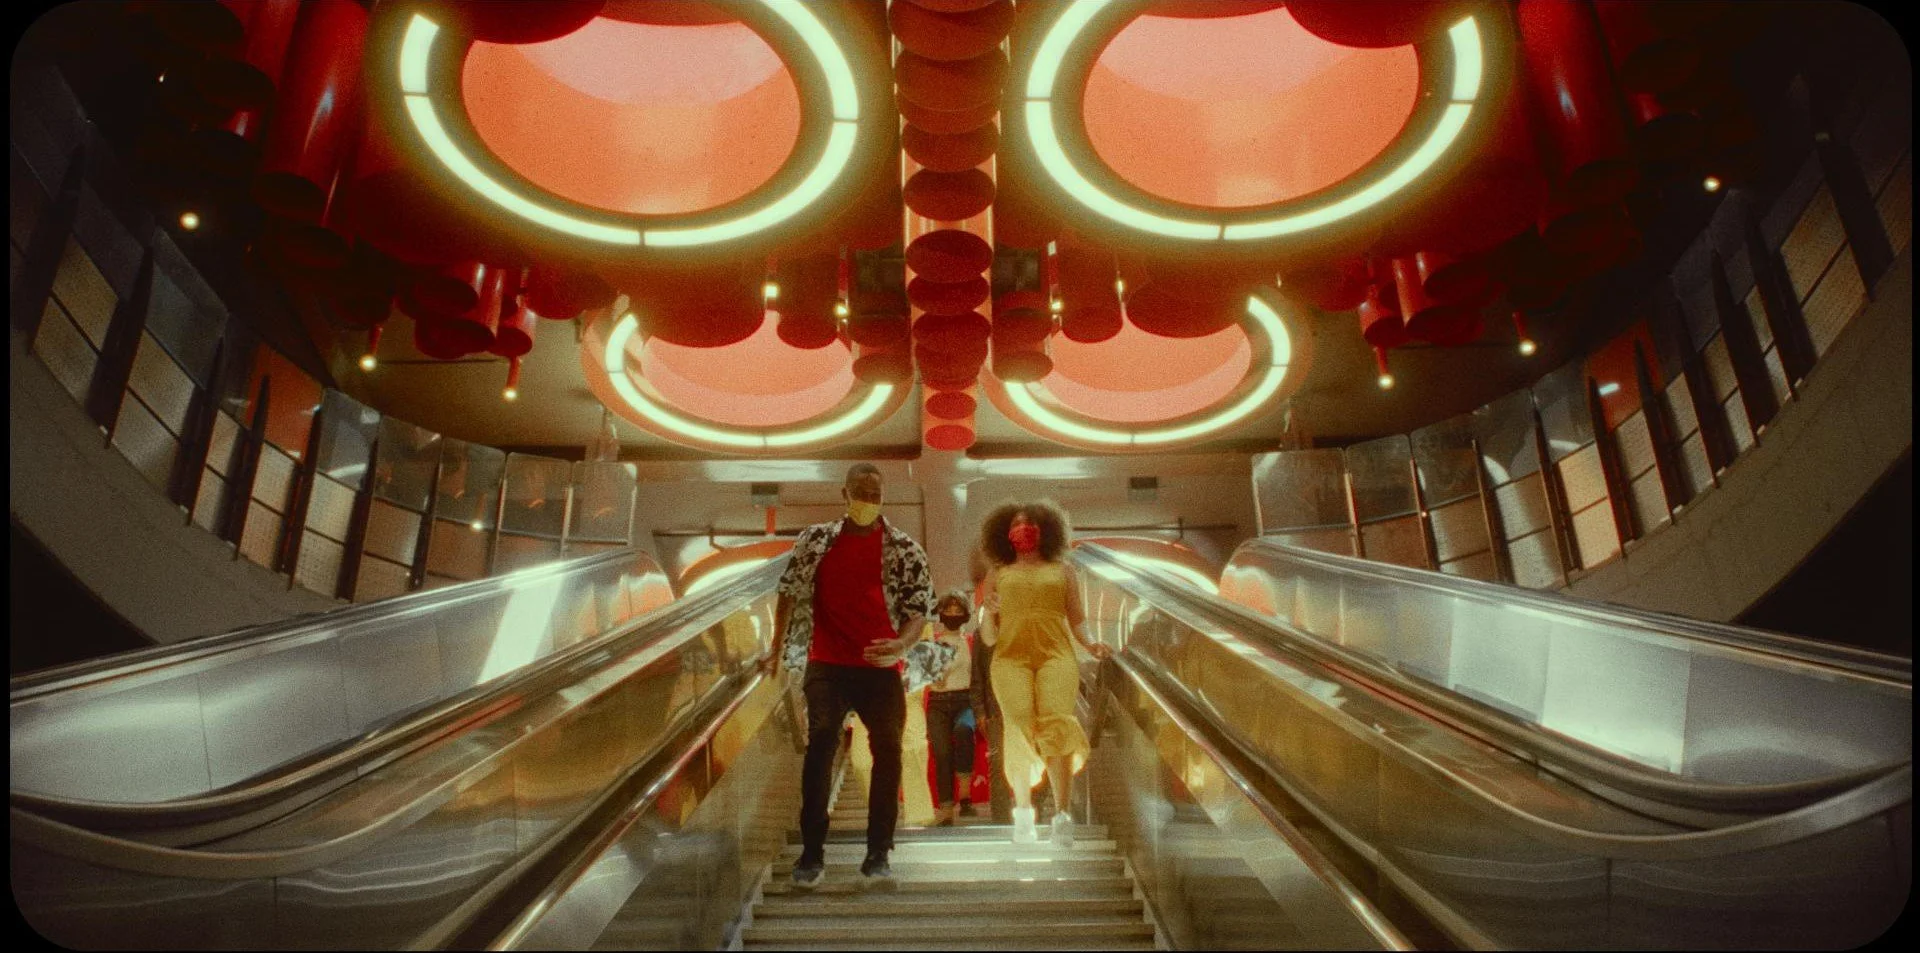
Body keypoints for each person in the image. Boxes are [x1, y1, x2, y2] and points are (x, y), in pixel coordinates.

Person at [766, 463, 936, 891]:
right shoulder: (817, 540)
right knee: (822, 738)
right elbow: (788, 590)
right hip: (827, 663)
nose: (868, 499)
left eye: (875, 493)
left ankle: (878, 852)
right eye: (861, 491)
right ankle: (811, 852)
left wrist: (901, 645)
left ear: (884, 496)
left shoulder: (904, 549)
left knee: (889, 749)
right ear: (845, 493)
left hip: (880, 668)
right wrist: (775, 649)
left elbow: (918, 612)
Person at [978, 501, 1112, 849]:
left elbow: (1077, 619)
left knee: (1057, 722)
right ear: (1005, 534)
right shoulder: (998, 571)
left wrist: (1093, 644)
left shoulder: (1063, 570)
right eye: (1017, 525)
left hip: (1056, 655)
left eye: (1031, 524)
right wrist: (986, 612)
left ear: (1046, 531)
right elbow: (989, 636)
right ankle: (1023, 812)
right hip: (1010, 658)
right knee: (1019, 725)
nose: (1024, 530)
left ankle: (1062, 815)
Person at [925, 591, 989, 825]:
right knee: (941, 753)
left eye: (957, 610)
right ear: (940, 614)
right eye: (948, 610)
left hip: (966, 700)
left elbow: (981, 674)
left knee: (964, 731)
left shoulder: (972, 642)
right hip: (938, 702)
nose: (952, 614)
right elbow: (931, 678)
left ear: (965, 614)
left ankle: (965, 797)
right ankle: (945, 808)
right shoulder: (933, 643)